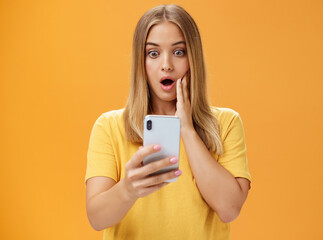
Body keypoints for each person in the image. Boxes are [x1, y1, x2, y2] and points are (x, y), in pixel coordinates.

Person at [85, 4, 252, 240]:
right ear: (141, 62)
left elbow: (229, 208)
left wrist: (187, 129)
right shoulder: (109, 127)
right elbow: (97, 218)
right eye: (153, 53)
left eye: (179, 52)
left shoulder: (227, 123)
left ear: (193, 58)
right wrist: (128, 189)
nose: (167, 65)